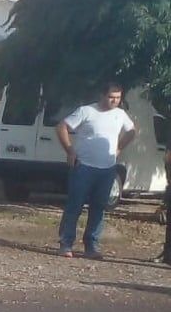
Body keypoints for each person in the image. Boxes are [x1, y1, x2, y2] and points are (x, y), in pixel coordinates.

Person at [55, 82, 136, 259]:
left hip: (107, 169)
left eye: (118, 98)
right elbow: (62, 127)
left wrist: (119, 148)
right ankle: (66, 243)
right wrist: (70, 150)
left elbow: (131, 131)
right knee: (75, 205)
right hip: (83, 167)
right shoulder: (87, 111)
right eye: (111, 97)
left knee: (99, 207)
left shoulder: (120, 114)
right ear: (102, 95)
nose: (114, 101)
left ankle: (91, 245)